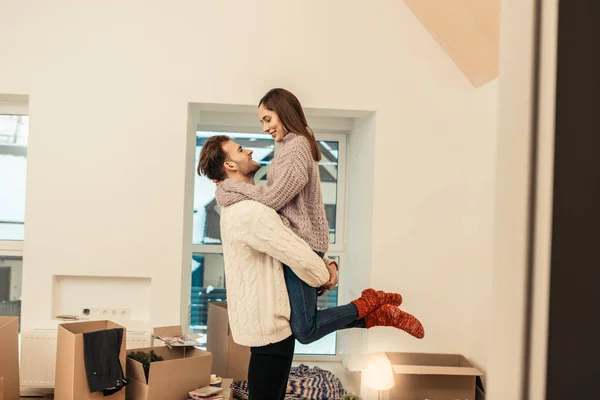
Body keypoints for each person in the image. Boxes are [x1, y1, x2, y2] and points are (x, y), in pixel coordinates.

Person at [198, 135, 424, 399]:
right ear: (230, 166)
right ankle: (371, 309)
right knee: (300, 341)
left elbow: (295, 242)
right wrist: (325, 275)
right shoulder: (250, 212)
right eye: (239, 150)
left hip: (267, 331)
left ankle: (371, 310)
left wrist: (324, 264)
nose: (248, 151)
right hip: (268, 331)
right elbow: (298, 255)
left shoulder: (239, 207)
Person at [215, 88, 425, 345]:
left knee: (304, 330)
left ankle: (370, 303)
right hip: (301, 245)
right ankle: (376, 313)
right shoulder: (291, 148)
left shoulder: (297, 147)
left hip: (303, 247)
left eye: (267, 119)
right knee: (304, 327)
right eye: (262, 122)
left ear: (283, 113)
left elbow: (273, 199)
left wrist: (229, 187)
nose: (264, 128)